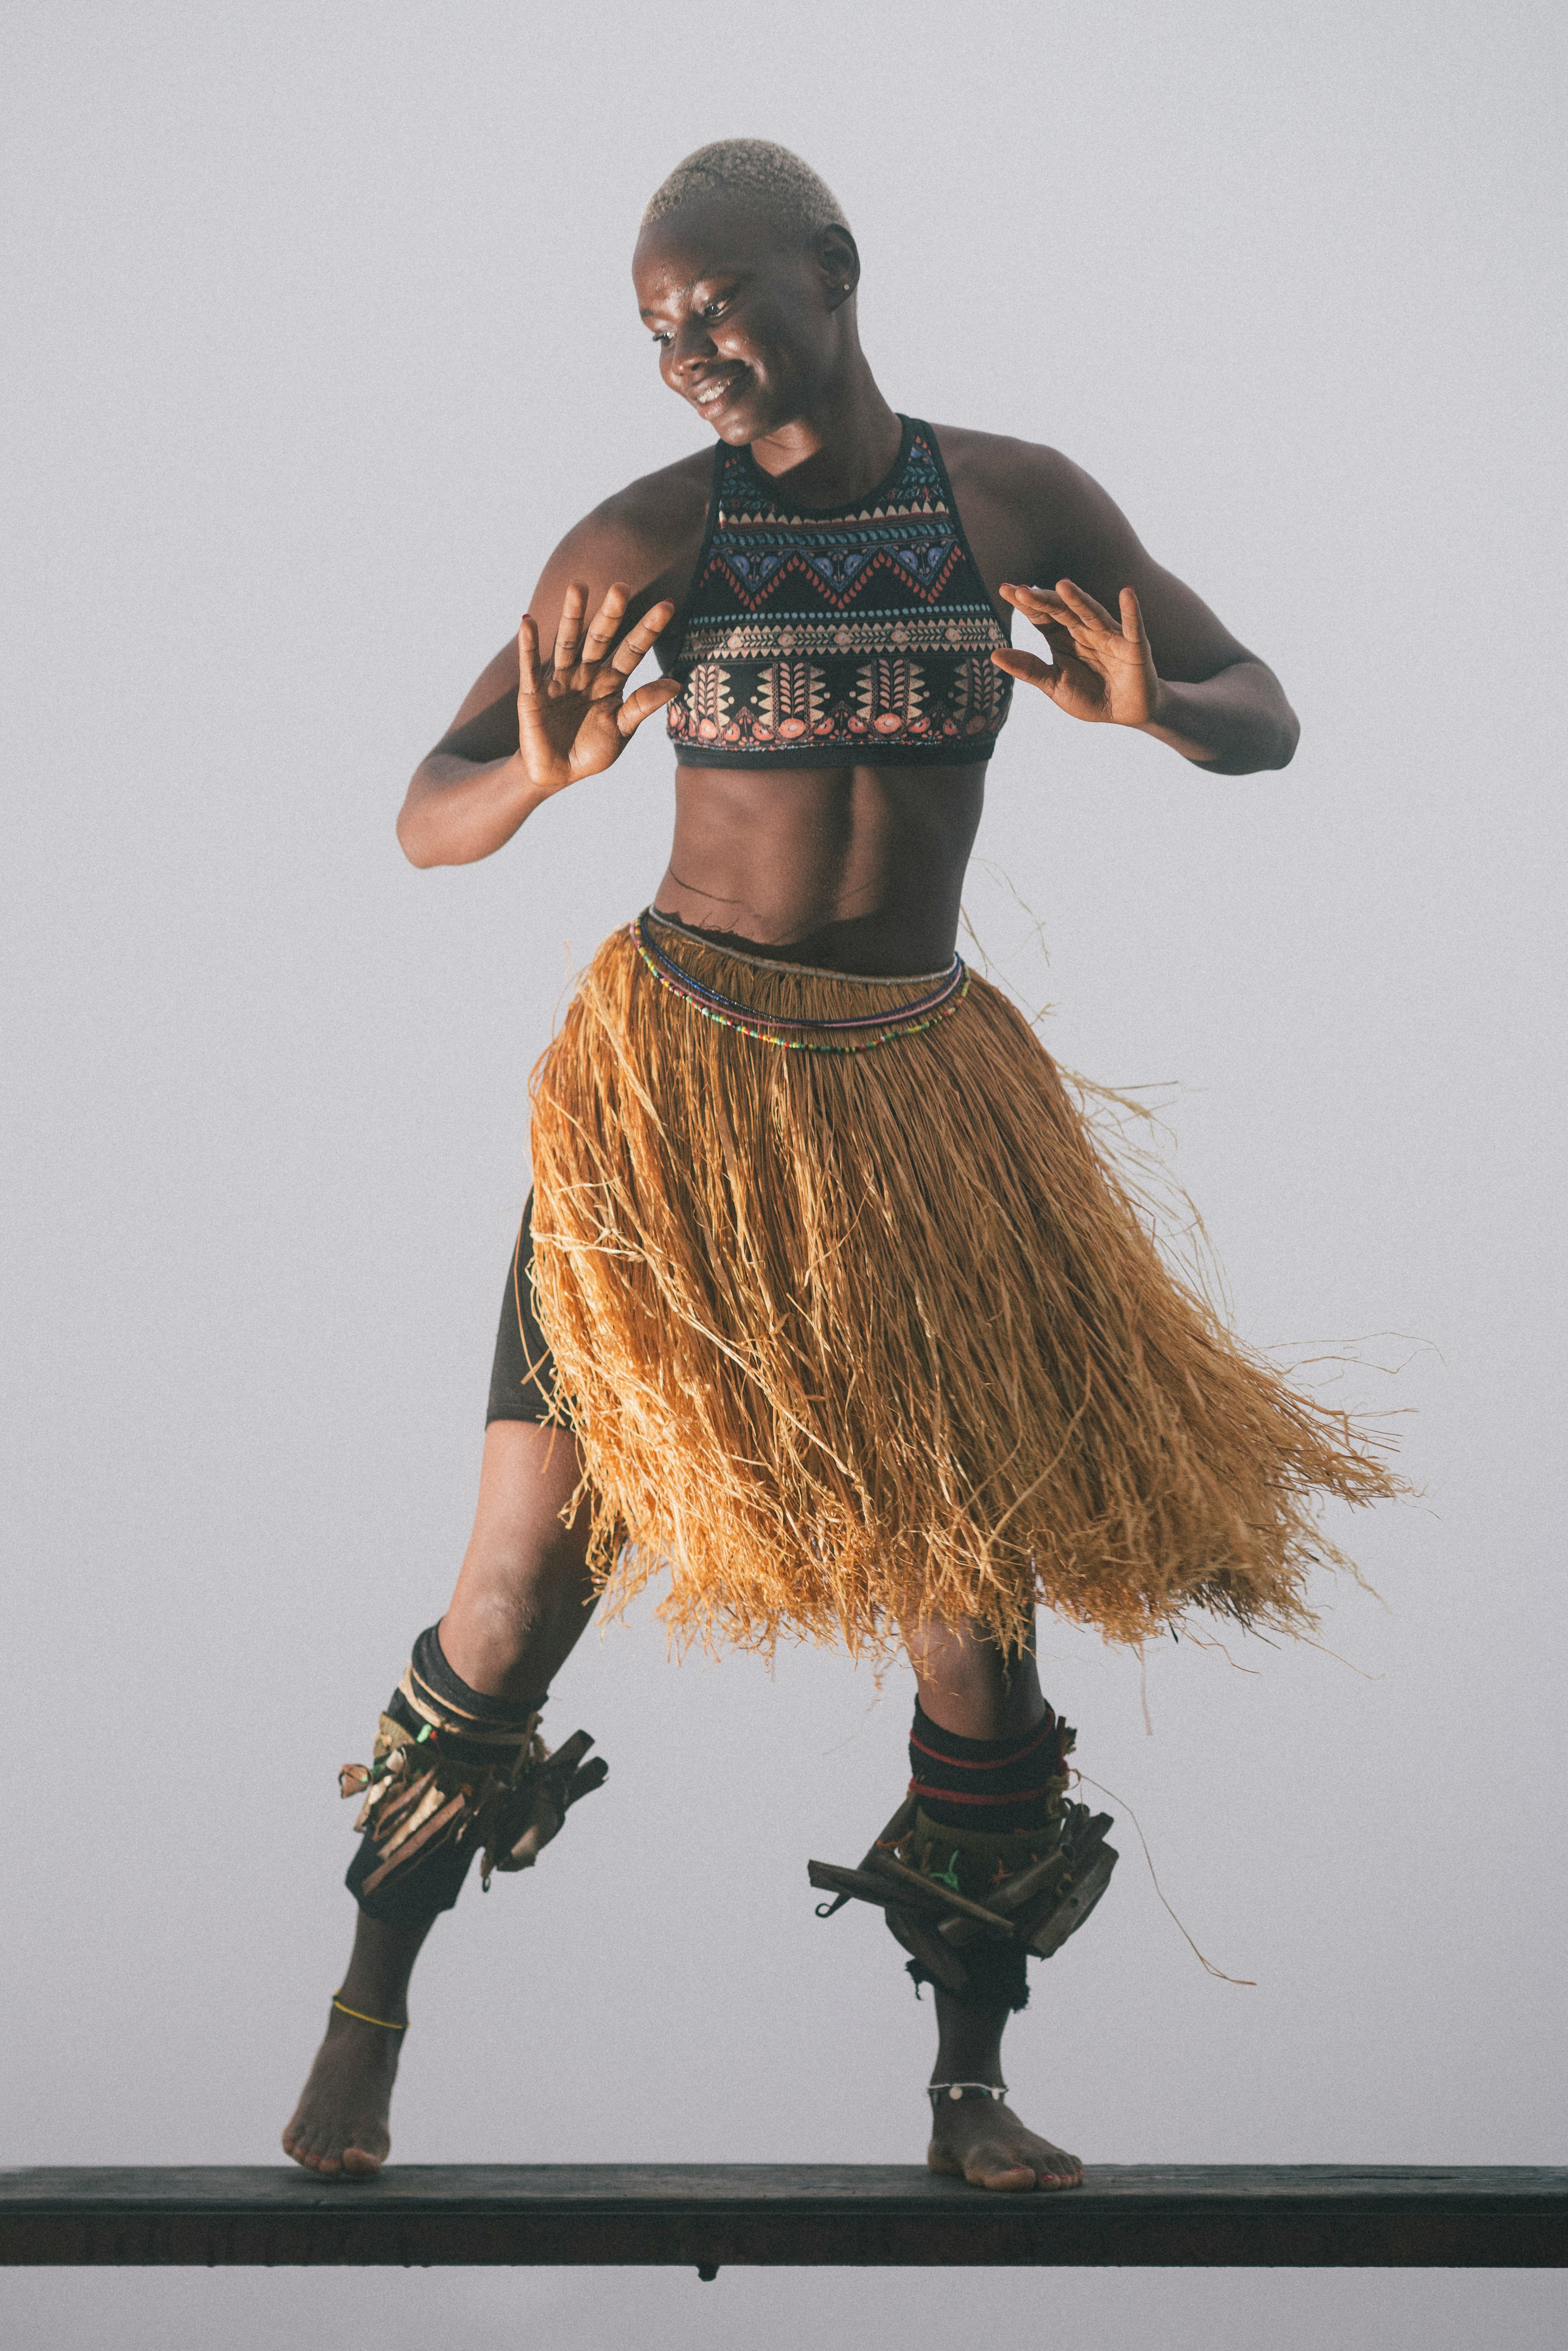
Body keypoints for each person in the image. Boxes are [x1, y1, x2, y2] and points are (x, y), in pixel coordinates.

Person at [283, 140, 1394, 2193]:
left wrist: (1162, 715)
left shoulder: (1013, 502)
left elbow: (1262, 712)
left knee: (973, 1610)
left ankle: (967, 2087)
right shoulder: (640, 537)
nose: (686, 350)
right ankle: (364, 2021)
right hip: (667, 1125)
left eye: (713, 304)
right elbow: (425, 812)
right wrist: (530, 771)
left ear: (831, 269)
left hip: (918, 1116)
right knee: (521, 1588)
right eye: (654, 325)